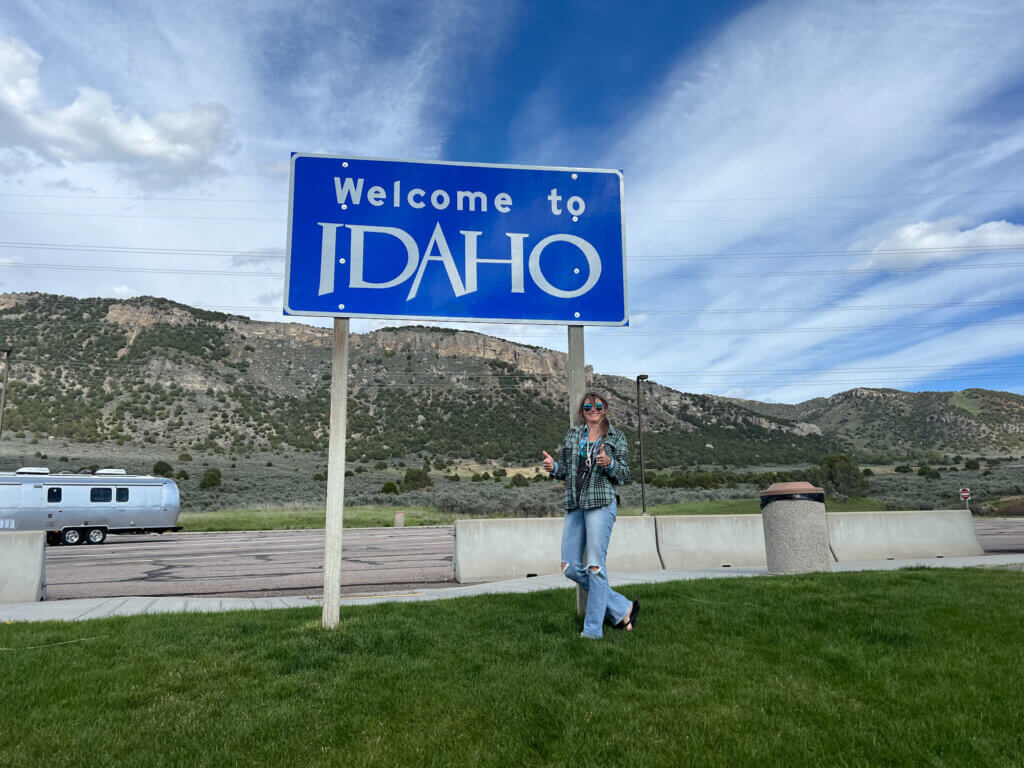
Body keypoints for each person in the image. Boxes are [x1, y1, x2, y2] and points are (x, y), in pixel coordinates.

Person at [542, 392, 639, 639]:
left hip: (601, 503)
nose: (592, 409)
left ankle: (593, 631)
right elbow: (565, 470)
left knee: (595, 567)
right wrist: (554, 468)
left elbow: (625, 475)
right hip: (575, 505)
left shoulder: (616, 436)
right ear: (582, 411)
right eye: (588, 406)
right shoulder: (574, 435)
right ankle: (621, 607)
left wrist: (609, 463)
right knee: (569, 567)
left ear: (605, 408)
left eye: (597, 405)